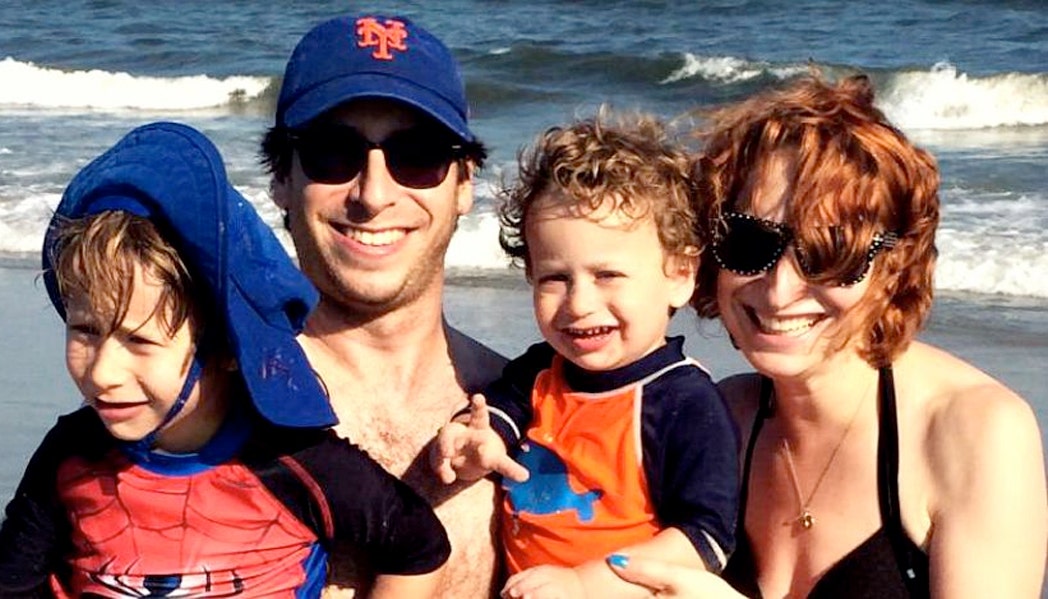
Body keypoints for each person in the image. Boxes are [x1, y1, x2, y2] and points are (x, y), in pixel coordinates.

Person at [0, 122, 451, 598]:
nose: (102, 373)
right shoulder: (71, 454)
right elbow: (0, 586)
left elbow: (419, 546)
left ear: (228, 349)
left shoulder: (294, 461)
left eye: (141, 341)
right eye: (85, 330)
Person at [606, 74, 1048, 598]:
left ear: (894, 265)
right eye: (749, 243)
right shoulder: (723, 418)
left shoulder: (973, 432)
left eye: (829, 253)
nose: (781, 289)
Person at [432, 111, 740, 599]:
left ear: (679, 275)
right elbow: (497, 415)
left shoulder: (684, 402)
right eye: (555, 277)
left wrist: (586, 582)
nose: (578, 304)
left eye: (608, 275)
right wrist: (475, 443)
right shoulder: (540, 370)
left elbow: (706, 540)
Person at [260, 14, 507, 598]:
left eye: (417, 155)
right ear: (281, 180)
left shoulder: (530, 406)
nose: (373, 194)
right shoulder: (219, 400)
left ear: (465, 183)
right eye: (331, 152)